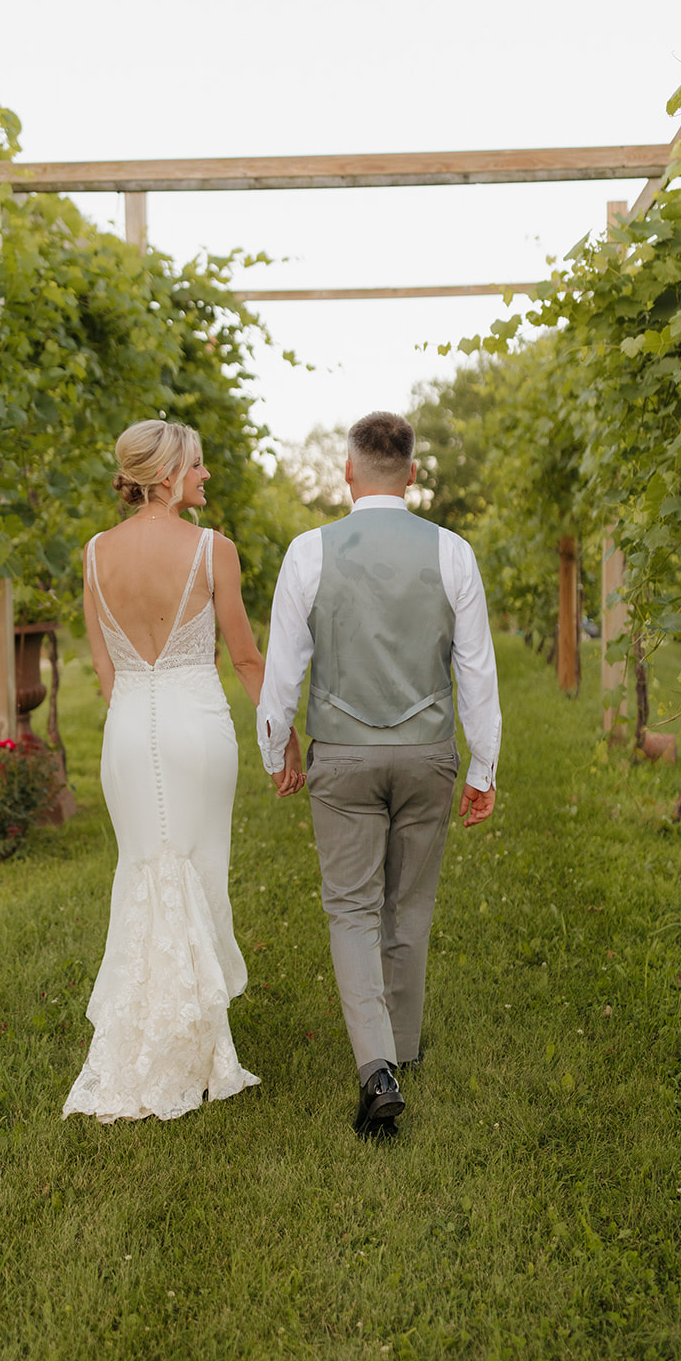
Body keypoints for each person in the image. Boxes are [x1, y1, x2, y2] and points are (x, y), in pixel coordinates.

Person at [257, 411, 501, 1137]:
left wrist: (279, 749)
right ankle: (401, 1045)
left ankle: (375, 1068)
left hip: (343, 753)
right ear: (413, 475)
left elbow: (283, 671)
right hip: (427, 753)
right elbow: (476, 671)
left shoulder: (309, 552)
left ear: (347, 471)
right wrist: (482, 766)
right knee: (410, 904)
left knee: (351, 907)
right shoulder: (452, 552)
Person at [64, 419, 302, 1125]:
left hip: (130, 730)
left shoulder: (94, 553)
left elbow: (107, 669)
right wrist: (282, 737)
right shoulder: (211, 550)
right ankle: (192, 1050)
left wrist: (140, 715)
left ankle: (154, 1044)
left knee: (143, 870)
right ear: (167, 473)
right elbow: (248, 660)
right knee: (195, 872)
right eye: (196, 465)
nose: (204, 476)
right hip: (198, 729)